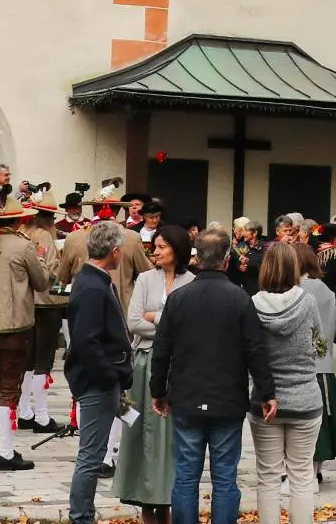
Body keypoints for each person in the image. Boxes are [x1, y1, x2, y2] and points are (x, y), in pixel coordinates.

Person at [150, 230, 274, 524]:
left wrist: (158, 390)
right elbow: (255, 350)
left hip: (187, 396)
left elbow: (161, 350)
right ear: (227, 259)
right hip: (227, 399)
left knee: (186, 476)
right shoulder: (240, 299)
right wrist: (266, 391)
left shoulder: (178, 298)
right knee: (225, 478)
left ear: (196, 258)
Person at [115, 224, 193, 524]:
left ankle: (171, 499)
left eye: (162, 247)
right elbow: (134, 321)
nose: (156, 251)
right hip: (146, 362)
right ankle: (146, 498)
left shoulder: (191, 281)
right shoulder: (146, 279)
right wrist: (170, 325)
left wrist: (158, 317)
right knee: (144, 431)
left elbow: (191, 326)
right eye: (155, 246)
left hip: (180, 365)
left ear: (177, 249)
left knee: (173, 435)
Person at [248, 242, 326, 524]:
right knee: (302, 473)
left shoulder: (253, 304)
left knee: (268, 476)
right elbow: (319, 343)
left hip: (266, 399)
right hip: (305, 396)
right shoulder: (307, 301)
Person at [0, 195, 49, 472]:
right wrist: (42, 262)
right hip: (14, 325)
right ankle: (5, 451)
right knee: (7, 389)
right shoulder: (23, 245)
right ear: (18, 221)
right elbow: (41, 284)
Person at [65, 220, 132, 522]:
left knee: (93, 453)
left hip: (101, 377)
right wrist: (108, 376)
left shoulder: (95, 280)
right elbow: (85, 340)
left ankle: (84, 513)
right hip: (97, 381)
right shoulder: (92, 286)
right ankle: (81, 517)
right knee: (91, 456)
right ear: (114, 252)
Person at [297, 243, 336, 478]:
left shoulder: (296, 289)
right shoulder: (327, 290)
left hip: (303, 367)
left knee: (306, 423)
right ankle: (318, 470)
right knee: (326, 421)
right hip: (326, 364)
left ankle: (306, 472)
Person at [19, 197, 68, 434]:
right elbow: (48, 272)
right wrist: (67, 288)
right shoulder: (45, 236)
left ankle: (23, 411)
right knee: (43, 361)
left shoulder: (22, 233)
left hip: (26, 302)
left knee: (27, 360)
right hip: (46, 302)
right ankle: (41, 415)